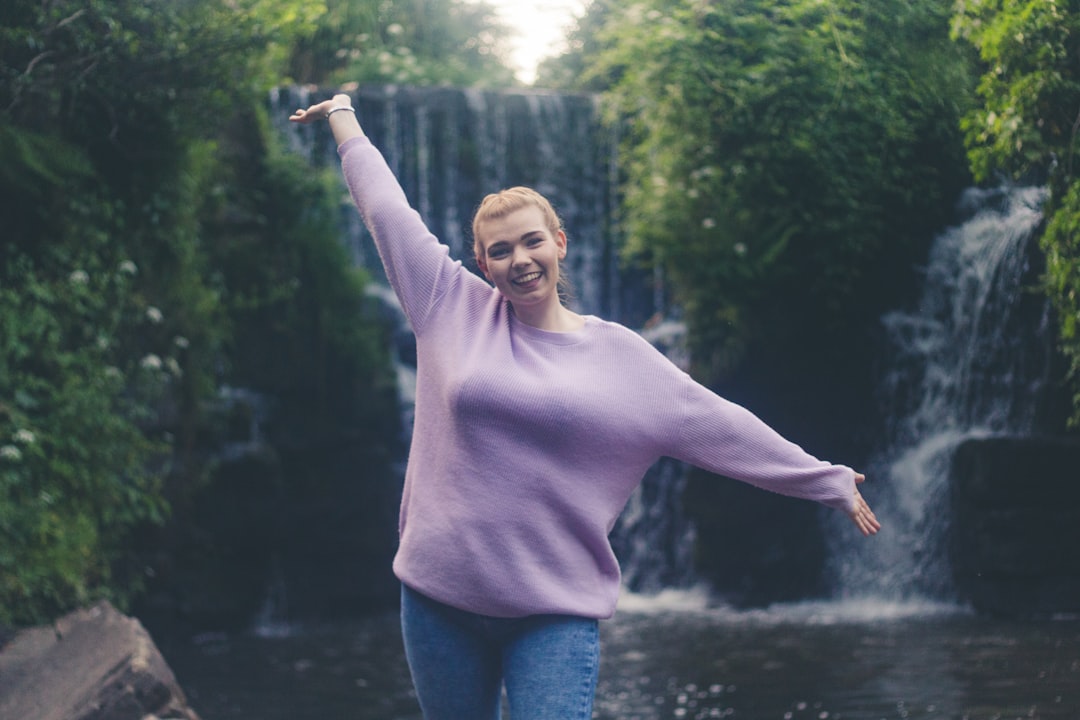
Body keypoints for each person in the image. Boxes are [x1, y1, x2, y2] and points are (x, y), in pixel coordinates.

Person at [290, 92, 880, 720]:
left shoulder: (621, 356)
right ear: (483, 263)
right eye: (500, 251)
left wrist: (826, 481)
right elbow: (387, 211)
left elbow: (717, 422)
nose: (520, 261)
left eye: (531, 242)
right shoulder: (446, 306)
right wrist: (342, 114)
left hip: (554, 612)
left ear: (560, 243)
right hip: (440, 601)